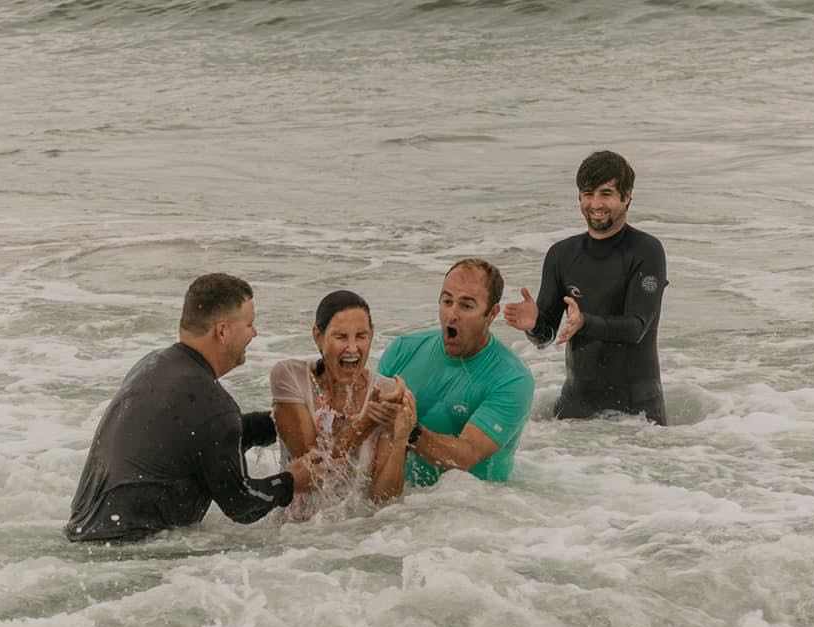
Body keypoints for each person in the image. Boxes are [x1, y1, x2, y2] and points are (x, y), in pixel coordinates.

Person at [64, 273, 319, 542]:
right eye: (250, 324)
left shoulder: (151, 366)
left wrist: (280, 421)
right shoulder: (213, 405)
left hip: (84, 534)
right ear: (222, 331)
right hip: (129, 550)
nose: (254, 333)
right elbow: (241, 505)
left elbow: (207, 438)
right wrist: (291, 481)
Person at [503, 150, 668, 424]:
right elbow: (546, 336)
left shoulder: (646, 251)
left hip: (637, 416)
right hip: (575, 410)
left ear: (627, 196)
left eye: (606, 193)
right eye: (588, 193)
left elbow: (636, 327)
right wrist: (533, 325)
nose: (595, 203)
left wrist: (584, 322)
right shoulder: (561, 255)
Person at [377, 258, 535, 487]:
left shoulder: (512, 379)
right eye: (447, 301)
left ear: (492, 314)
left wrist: (409, 431)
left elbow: (465, 456)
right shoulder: (403, 349)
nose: (452, 314)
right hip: (401, 506)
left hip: (472, 509)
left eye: (466, 305)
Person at [270, 290, 413, 521]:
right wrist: (366, 423)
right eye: (341, 337)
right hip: (292, 535)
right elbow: (315, 470)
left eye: (361, 336)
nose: (353, 348)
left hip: (354, 537)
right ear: (318, 336)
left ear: (373, 334)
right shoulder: (290, 376)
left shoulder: (386, 393)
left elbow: (383, 500)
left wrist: (401, 439)